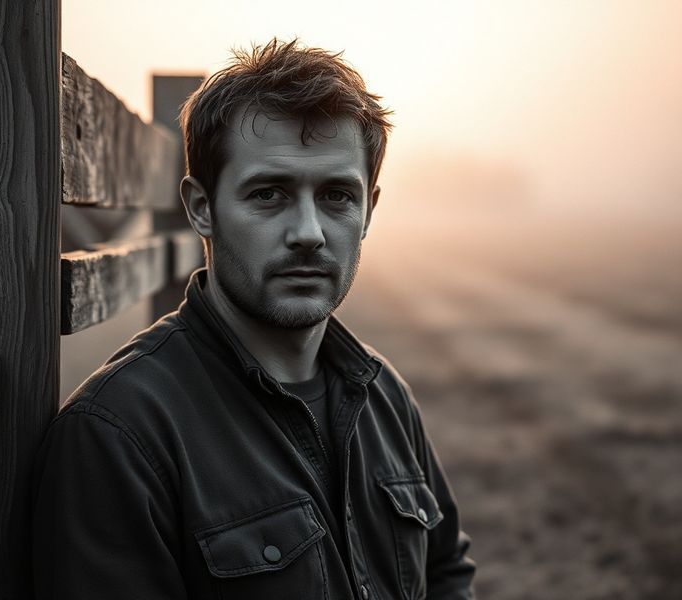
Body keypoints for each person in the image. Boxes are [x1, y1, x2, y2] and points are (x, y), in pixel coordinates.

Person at [32, 38, 475, 599]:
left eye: (338, 195)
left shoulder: (384, 394)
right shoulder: (119, 435)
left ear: (369, 211)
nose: (309, 233)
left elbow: (445, 571)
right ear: (201, 208)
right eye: (269, 194)